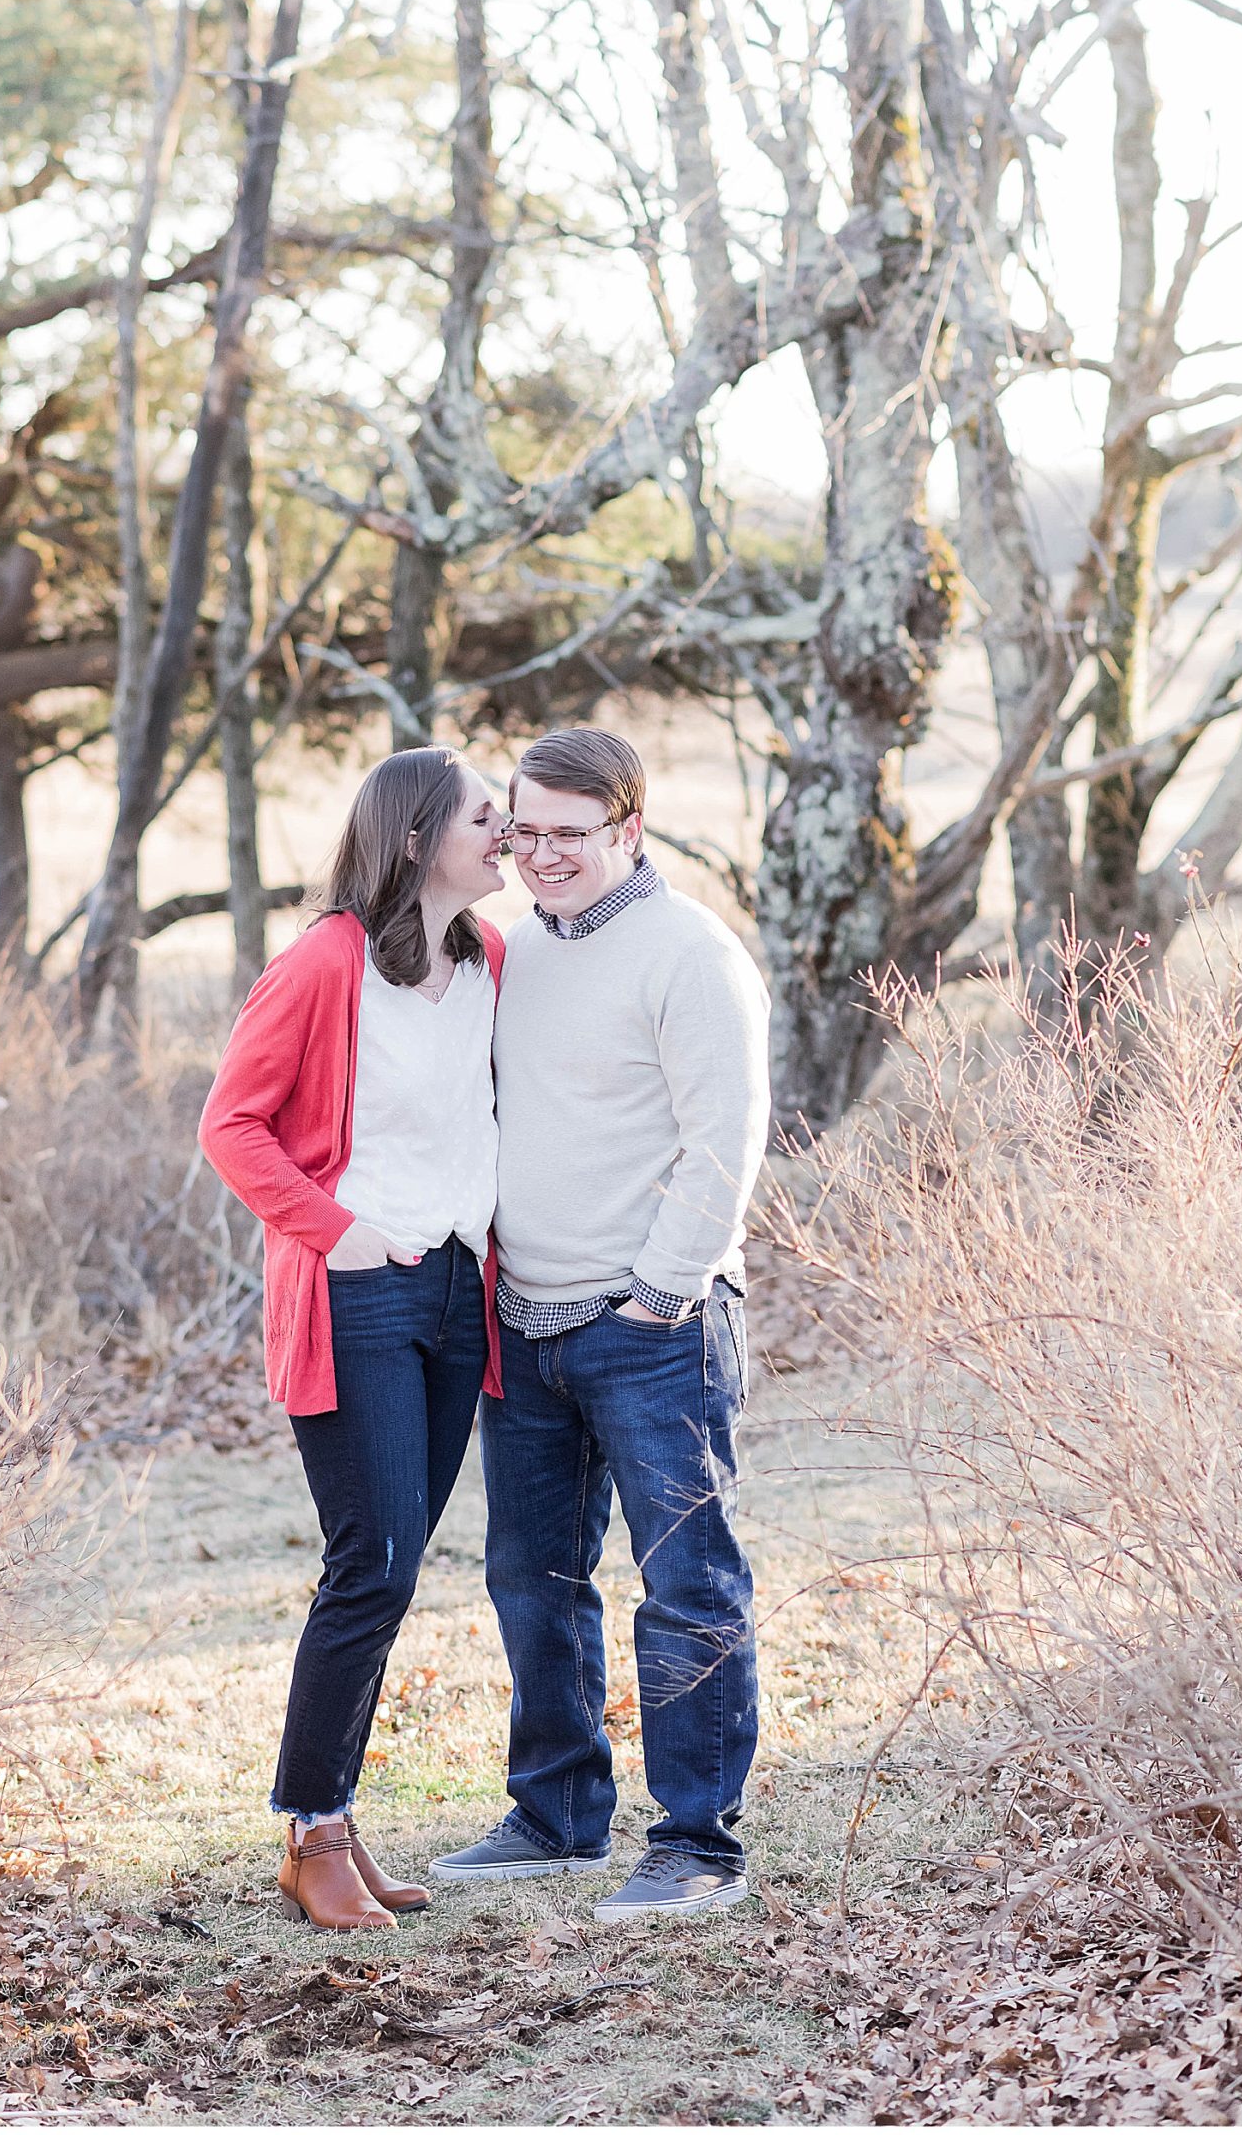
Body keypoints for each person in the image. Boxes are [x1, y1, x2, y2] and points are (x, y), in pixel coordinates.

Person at [431, 727, 770, 1921]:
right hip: (521, 1322)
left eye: (572, 835)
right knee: (532, 1578)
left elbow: (721, 1141)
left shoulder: (689, 954)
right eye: (527, 833)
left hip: (653, 1323)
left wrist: (659, 1292)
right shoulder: (517, 951)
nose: (545, 856)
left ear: (629, 827)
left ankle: (695, 1845)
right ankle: (559, 1814)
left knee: (685, 1583)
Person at [198, 746, 508, 1932]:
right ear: (419, 836)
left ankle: (334, 1814)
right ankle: (311, 1831)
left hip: (453, 1293)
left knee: (393, 1564)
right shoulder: (326, 961)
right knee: (368, 1558)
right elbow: (232, 1124)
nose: (509, 836)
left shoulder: (491, 960)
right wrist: (339, 1233)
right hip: (356, 1292)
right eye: (489, 818)